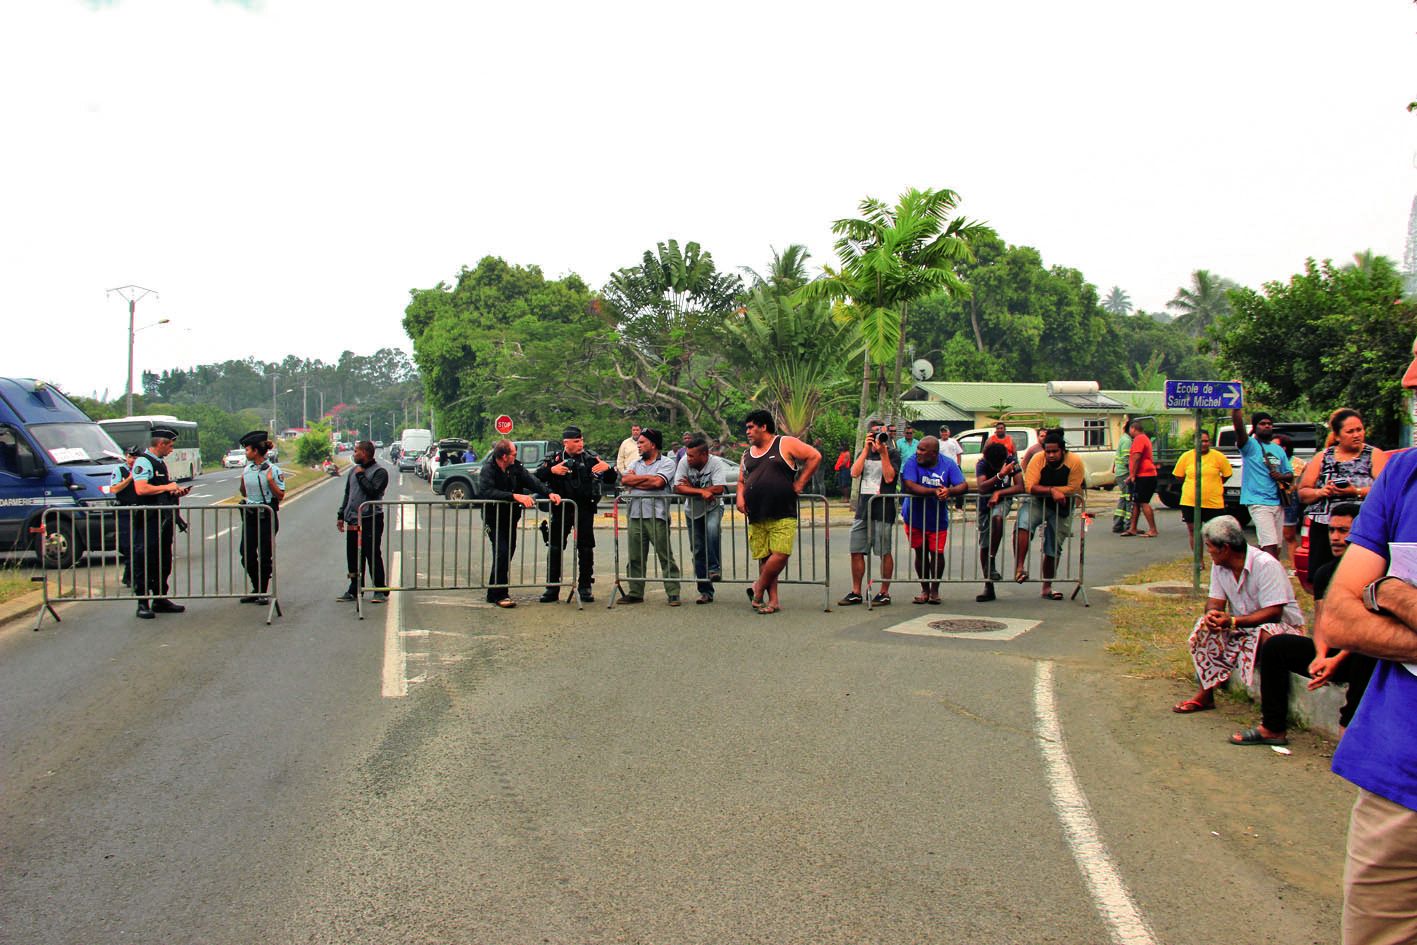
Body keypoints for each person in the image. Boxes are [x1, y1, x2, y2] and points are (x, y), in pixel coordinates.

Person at [1318, 336, 1417, 945]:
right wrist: (1383, 595)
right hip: (1399, 780)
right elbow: (1341, 615)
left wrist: (1390, 590)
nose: (1407, 380)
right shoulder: (1403, 475)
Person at [1229, 504, 1373, 747]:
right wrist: (1320, 655)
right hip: (1332, 652)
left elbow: (1368, 632)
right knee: (1277, 646)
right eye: (1332, 530)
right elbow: (1322, 623)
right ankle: (1272, 728)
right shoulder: (1325, 573)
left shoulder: (1372, 573)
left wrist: (1334, 662)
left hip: (1358, 651)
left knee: (1366, 658)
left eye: (1343, 531)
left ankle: (1349, 732)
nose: (1335, 538)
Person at [1172, 515, 1305, 713]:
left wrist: (1233, 621)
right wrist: (1212, 615)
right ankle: (1206, 694)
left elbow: (1274, 613)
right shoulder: (1220, 567)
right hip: (1243, 626)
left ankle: (1271, 706)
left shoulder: (1266, 565)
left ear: (1225, 548)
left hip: (1282, 629)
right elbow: (1215, 602)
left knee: (1267, 634)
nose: (1208, 551)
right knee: (1204, 627)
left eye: (1209, 546)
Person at [738, 409, 821, 615]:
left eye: (750, 427)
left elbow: (814, 456)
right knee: (765, 557)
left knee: (780, 554)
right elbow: (741, 480)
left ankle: (758, 588)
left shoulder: (784, 443)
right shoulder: (747, 454)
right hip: (756, 512)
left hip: (783, 510)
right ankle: (772, 600)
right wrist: (740, 497)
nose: (747, 432)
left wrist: (800, 482)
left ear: (763, 427)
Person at [1297, 407, 1387, 579]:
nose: (1356, 435)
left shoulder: (1374, 455)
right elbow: (1303, 493)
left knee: (1359, 575)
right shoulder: (1322, 457)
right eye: (1350, 431)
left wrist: (1356, 491)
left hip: (1361, 525)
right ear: (1337, 436)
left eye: (1359, 430)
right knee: (1322, 576)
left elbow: (1385, 490)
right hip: (1325, 526)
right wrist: (1322, 492)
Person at [535, 425, 617, 603]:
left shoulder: (589, 458)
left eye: (582, 440)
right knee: (555, 547)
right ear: (566, 442)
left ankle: (585, 585)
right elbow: (536, 477)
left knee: (586, 548)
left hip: (584, 509)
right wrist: (552, 470)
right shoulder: (555, 458)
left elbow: (611, 479)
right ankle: (552, 587)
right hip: (561, 509)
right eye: (577, 441)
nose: (581, 444)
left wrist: (608, 468)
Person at [478, 439, 559, 608]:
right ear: (504, 456)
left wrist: (549, 493)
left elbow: (532, 481)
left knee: (507, 553)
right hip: (494, 518)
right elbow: (487, 491)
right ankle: (501, 594)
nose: (516, 456)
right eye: (513, 454)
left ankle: (493, 591)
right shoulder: (488, 469)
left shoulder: (516, 468)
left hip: (510, 517)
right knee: (501, 552)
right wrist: (514, 496)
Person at [1014, 431, 1085, 600]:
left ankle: (1047, 586)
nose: (1051, 455)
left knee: (1054, 545)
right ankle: (1019, 568)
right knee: (1023, 524)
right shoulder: (1038, 459)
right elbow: (1030, 486)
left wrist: (1057, 492)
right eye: (1048, 452)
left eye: (1055, 451)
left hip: (1063, 506)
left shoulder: (1075, 462)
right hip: (1039, 502)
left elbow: (1073, 488)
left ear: (1063, 451)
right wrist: (1052, 490)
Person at [130, 427, 191, 619]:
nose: (171, 450)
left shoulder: (159, 463)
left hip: (163, 518)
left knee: (164, 559)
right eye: (170, 446)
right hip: (148, 520)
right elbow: (141, 489)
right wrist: (167, 486)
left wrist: (173, 492)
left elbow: (157, 489)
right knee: (146, 559)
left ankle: (160, 598)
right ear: (161, 443)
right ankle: (143, 602)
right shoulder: (143, 462)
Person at [838, 421, 899, 607]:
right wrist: (865, 450)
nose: (878, 438)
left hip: (883, 508)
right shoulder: (864, 453)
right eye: (874, 434)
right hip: (864, 509)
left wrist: (883, 453)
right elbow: (854, 473)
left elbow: (889, 477)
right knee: (856, 550)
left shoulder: (893, 454)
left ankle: (884, 592)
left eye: (881, 434)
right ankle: (856, 591)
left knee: (884, 551)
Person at [899, 435, 966, 605]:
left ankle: (935, 591)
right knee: (920, 552)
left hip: (937, 519)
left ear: (934, 453)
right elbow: (910, 485)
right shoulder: (912, 461)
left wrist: (949, 491)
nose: (918, 452)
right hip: (914, 516)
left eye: (922, 450)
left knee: (937, 552)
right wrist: (934, 491)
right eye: (918, 449)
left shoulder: (948, 463)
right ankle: (924, 590)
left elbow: (963, 485)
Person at [618, 428, 681, 605]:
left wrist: (638, 481)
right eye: (638, 443)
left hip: (657, 515)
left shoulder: (667, 463)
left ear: (653, 445)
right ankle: (635, 591)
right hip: (635, 514)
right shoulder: (635, 464)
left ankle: (673, 592)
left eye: (642, 443)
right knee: (635, 555)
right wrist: (647, 480)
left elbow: (659, 482)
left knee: (664, 554)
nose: (638, 446)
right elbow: (625, 481)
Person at [1232, 406, 1292, 560]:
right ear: (1255, 427)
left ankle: (1257, 569)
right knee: (1269, 545)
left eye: (1269, 424)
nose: (1267, 426)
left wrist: (1281, 476)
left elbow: (1290, 474)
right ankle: (1272, 579)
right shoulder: (1249, 446)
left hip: (1277, 502)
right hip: (1258, 502)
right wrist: (1236, 407)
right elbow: (1239, 428)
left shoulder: (1278, 450)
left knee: (1277, 547)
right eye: (1262, 423)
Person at [674, 434, 727, 605]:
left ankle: (714, 569)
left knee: (712, 530)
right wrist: (701, 492)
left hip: (713, 507)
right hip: (692, 511)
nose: (687, 459)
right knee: (697, 550)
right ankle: (705, 590)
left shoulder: (716, 463)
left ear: (704, 455)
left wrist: (691, 488)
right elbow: (678, 488)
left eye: (691, 456)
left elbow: (719, 488)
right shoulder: (683, 462)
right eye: (687, 455)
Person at [336, 441, 390, 604]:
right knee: (353, 554)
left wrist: (361, 475)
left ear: (365, 453)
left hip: (370, 519)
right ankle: (355, 587)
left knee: (372, 553)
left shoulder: (380, 472)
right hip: (353, 519)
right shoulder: (353, 470)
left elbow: (373, 492)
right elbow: (348, 494)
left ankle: (379, 589)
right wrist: (341, 514)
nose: (354, 453)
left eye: (356, 451)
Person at [237, 431, 285, 605]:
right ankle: (256, 587)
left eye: (247, 449)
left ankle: (263, 590)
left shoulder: (273, 470)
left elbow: (280, 495)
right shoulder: (247, 469)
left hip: (266, 517)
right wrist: (243, 483)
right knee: (246, 553)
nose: (245, 453)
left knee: (265, 555)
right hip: (250, 515)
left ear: (256, 451)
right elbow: (243, 491)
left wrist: (271, 482)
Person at [975, 441, 1024, 603]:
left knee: (998, 517)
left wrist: (999, 493)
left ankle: (992, 557)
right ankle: (988, 585)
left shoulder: (1011, 461)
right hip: (984, 504)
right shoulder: (982, 463)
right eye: (993, 465)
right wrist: (1000, 475)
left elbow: (1020, 487)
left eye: (999, 465)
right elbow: (982, 487)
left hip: (1002, 500)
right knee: (984, 543)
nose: (996, 467)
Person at [1171, 431, 1234, 547]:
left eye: (1206, 441)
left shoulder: (1218, 457)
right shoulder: (1186, 457)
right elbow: (1179, 475)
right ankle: (1198, 562)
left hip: (1213, 503)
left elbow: (1227, 474)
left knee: (1216, 534)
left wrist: (1214, 484)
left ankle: (1217, 562)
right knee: (1194, 532)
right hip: (1190, 502)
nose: (1204, 444)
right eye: (1201, 441)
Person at [1121, 419, 1158, 538]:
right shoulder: (1144, 438)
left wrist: (1132, 475)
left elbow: (1136, 457)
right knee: (1136, 502)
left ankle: (1153, 529)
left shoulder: (1139, 439)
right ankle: (1133, 528)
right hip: (1143, 475)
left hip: (1145, 475)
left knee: (1143, 502)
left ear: (1133, 429)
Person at [110, 445, 140, 586]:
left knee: (138, 544)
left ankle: (130, 576)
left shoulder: (142, 469)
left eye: (135, 457)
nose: (132, 460)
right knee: (127, 544)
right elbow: (114, 488)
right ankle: (129, 576)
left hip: (139, 509)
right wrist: (129, 479)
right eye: (130, 457)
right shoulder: (120, 470)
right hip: (124, 511)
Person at [1278, 435, 1306, 565]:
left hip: (1289, 499)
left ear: (1284, 447)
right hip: (1271, 499)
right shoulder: (1270, 461)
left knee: (1289, 535)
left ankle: (1295, 566)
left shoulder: (1297, 462)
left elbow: (1299, 482)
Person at [1111, 422, 1132, 534]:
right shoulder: (1127, 441)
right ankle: (1129, 525)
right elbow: (1126, 459)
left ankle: (1118, 523)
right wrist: (1132, 473)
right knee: (1128, 499)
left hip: (1121, 473)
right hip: (1124, 473)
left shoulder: (1124, 439)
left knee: (1124, 498)